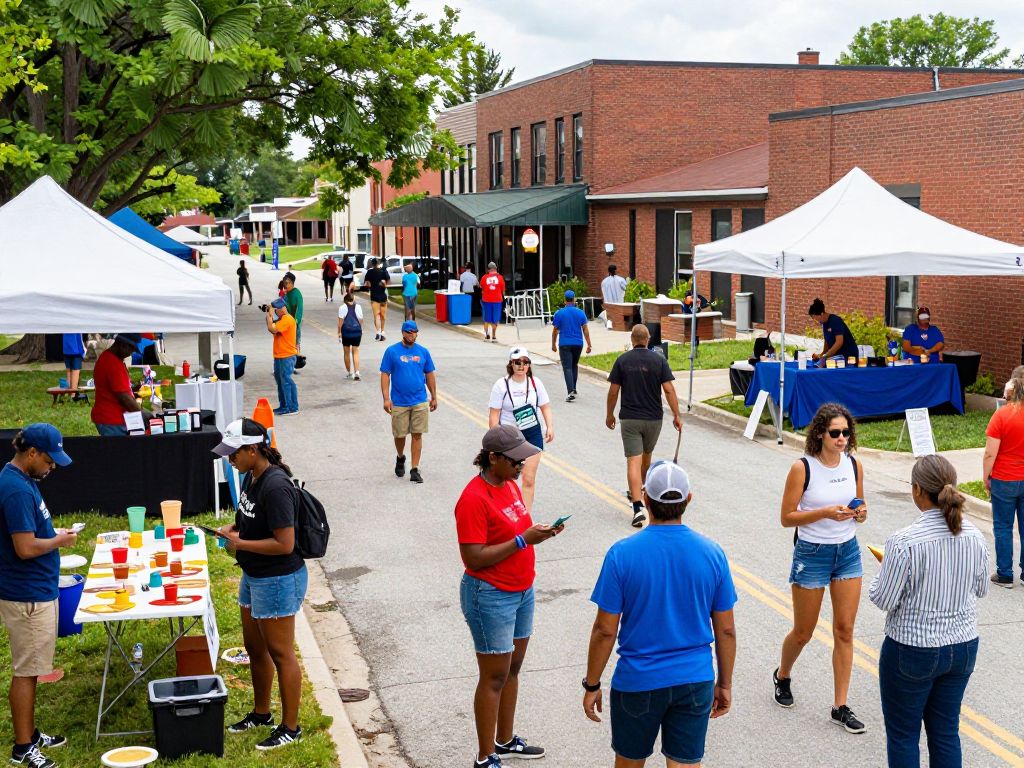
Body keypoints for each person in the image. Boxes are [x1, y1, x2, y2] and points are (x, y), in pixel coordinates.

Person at [584, 460, 736, 768]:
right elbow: (727, 630)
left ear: (644, 498)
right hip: (695, 680)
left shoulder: (621, 554)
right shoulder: (713, 553)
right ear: (688, 499)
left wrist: (592, 683)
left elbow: (604, 630)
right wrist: (724, 684)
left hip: (638, 681)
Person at [455, 425, 564, 768]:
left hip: (521, 590)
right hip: (490, 595)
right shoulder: (473, 499)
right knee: (494, 676)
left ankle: (504, 740)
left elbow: (518, 529)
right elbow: (473, 558)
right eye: (515, 459)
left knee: (512, 669)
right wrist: (523, 541)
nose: (522, 464)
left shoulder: (510, 486)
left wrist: (539, 534)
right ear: (493, 458)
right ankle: (485, 755)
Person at [870, 455, 988, 768]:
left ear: (918, 490)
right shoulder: (975, 536)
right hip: (962, 646)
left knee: (904, 735)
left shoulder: (903, 542)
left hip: (912, 647)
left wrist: (885, 572)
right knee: (946, 732)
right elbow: (981, 588)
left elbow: (883, 599)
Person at [774, 402, 868, 734]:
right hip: (811, 553)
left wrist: (858, 513)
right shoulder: (803, 468)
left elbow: (860, 505)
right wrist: (825, 512)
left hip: (847, 552)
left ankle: (840, 706)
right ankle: (783, 674)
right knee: (804, 631)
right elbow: (787, 518)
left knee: (844, 630)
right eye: (835, 433)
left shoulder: (854, 464)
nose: (843, 438)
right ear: (820, 434)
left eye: (846, 432)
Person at [213, 419, 306, 751]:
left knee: (281, 653)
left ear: (253, 450)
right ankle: (262, 712)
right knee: (255, 648)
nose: (230, 459)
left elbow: (285, 544)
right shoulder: (250, 477)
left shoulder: (276, 486)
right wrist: (230, 529)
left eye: (234, 453)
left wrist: (242, 544)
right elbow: (246, 520)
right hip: (254, 576)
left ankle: (291, 727)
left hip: (278, 578)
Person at [0, 424, 75, 768]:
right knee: (27, 671)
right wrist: (59, 541)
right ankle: (22, 748)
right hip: (26, 594)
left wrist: (52, 532)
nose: (53, 466)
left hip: (36, 589)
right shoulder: (15, 489)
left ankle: (30, 734)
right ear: (31, 454)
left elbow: (33, 531)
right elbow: (26, 547)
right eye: (49, 459)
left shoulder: (24, 480)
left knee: (32, 667)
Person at [606, 324, 683, 528]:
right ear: (648, 339)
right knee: (646, 458)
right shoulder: (659, 360)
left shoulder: (622, 360)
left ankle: (638, 506)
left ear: (632, 339)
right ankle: (646, 495)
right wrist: (677, 415)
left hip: (630, 419)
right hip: (653, 419)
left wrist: (609, 414)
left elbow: (613, 391)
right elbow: (669, 390)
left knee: (633, 461)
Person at [488, 347, 554, 511]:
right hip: (510, 436)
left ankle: (525, 518)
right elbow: (494, 414)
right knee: (508, 478)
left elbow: (545, 406)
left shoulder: (535, 383)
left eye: (525, 362)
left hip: (532, 433)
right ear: (511, 363)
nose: (521, 366)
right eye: (518, 362)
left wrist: (550, 427)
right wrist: (496, 437)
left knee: (528, 478)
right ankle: (506, 513)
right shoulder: (501, 385)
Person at [380, 321, 437, 484]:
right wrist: (386, 398)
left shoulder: (423, 352)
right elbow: (385, 375)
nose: (412, 334)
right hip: (399, 401)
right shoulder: (391, 351)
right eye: (409, 332)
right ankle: (400, 457)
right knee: (400, 434)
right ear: (403, 333)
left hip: (419, 400)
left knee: (417, 434)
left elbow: (430, 375)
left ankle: (414, 468)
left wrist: (434, 396)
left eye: (415, 332)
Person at [983, 366, 1024, 587]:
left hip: (1004, 478)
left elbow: (991, 452)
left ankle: (1005, 574)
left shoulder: (1002, 414)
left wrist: (985, 476)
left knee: (1003, 527)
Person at [91, 333, 145, 436]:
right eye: (131, 349)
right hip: (112, 420)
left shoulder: (108, 358)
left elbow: (116, 388)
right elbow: (124, 398)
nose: (130, 353)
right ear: (123, 344)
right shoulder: (112, 363)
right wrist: (141, 413)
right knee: (119, 451)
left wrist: (131, 390)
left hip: (110, 418)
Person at [551, 290, 592, 402]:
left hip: (564, 344)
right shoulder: (580, 313)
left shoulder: (559, 313)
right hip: (578, 344)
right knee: (574, 365)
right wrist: (589, 344)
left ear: (565, 300)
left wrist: (553, 344)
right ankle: (573, 387)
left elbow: (555, 331)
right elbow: (585, 330)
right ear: (574, 299)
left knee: (567, 367)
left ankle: (570, 392)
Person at [267, 298, 299, 416]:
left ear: (281, 309)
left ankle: (292, 407)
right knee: (281, 381)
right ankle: (284, 405)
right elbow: (273, 329)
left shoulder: (286, 319)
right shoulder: (283, 319)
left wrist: (269, 315)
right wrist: (269, 315)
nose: (275, 312)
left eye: (276, 310)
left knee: (286, 380)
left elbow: (272, 328)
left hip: (286, 355)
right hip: (281, 355)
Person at [808, 298, 858, 366]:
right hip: (837, 355)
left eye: (815, 317)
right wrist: (822, 354)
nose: (815, 320)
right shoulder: (824, 323)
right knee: (818, 362)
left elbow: (839, 342)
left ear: (821, 314)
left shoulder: (835, 321)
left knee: (824, 363)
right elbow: (827, 340)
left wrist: (825, 357)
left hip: (849, 356)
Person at [337, 292, 363, 381]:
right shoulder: (358, 307)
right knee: (355, 352)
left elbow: (340, 322)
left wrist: (339, 333)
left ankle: (349, 373)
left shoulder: (342, 307)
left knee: (346, 352)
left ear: (345, 300)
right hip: (357, 332)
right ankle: (357, 372)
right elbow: (361, 320)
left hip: (346, 332)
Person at [364, 258, 391, 341]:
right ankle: (382, 332)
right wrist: (384, 284)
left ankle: (378, 332)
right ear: (379, 263)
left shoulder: (369, 272)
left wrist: (370, 285)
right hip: (383, 297)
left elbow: (367, 284)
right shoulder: (384, 272)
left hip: (374, 297)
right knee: (383, 316)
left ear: (372, 264)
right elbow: (389, 282)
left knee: (376, 316)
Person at [481, 262, 506, 343]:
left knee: (486, 319)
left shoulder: (484, 277)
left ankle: (486, 335)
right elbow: (503, 290)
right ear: (496, 269)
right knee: (495, 319)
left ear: (488, 269)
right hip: (497, 301)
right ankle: (494, 336)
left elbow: (482, 287)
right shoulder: (500, 278)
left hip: (486, 300)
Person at [282, 273, 303, 352]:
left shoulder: (296, 293)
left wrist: (295, 322)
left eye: (286, 283)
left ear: (291, 283)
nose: (285, 285)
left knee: (295, 347)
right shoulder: (287, 294)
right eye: (284, 283)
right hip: (287, 325)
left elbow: (299, 310)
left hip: (294, 325)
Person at [61, 333, 85, 398]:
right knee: (75, 371)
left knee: (69, 371)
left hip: (66, 347)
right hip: (76, 348)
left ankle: (69, 393)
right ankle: (73, 395)